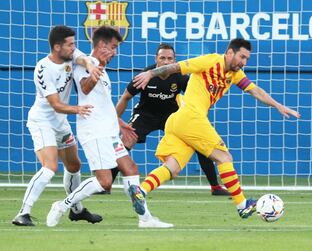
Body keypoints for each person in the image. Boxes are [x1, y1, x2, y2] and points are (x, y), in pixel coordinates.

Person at [127, 38, 301, 220]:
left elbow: (255, 90)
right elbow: (175, 67)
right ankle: (242, 205)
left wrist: (278, 105)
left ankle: (141, 190)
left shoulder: (235, 74)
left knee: (173, 167)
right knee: (224, 157)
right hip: (191, 117)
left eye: (247, 59)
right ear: (230, 53)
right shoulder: (210, 61)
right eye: (242, 57)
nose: (244, 62)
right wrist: (150, 74)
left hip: (178, 120)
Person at [46, 26, 173, 228]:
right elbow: (86, 88)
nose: (115, 52)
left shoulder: (101, 69)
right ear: (102, 45)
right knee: (104, 182)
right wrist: (101, 65)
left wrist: (120, 124)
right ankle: (62, 206)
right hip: (94, 132)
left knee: (130, 168)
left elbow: (103, 105)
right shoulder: (83, 65)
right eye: (113, 47)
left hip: (109, 131)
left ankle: (145, 218)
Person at [12, 26, 104, 226]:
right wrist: (78, 109)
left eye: (74, 43)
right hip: (42, 121)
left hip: (60, 123)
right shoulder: (43, 69)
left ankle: (76, 210)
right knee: (50, 167)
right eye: (69, 44)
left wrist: (90, 64)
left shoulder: (70, 55)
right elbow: (56, 104)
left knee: (74, 165)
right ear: (57, 47)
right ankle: (23, 213)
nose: (73, 47)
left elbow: (83, 59)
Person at [114, 43, 229, 196]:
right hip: (146, 114)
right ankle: (106, 183)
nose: (166, 62)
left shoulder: (180, 77)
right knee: (127, 140)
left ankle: (215, 187)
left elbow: (196, 98)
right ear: (156, 59)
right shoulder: (145, 75)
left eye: (170, 59)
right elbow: (125, 97)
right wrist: (115, 121)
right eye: (162, 58)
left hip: (173, 116)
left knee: (200, 143)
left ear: (175, 60)